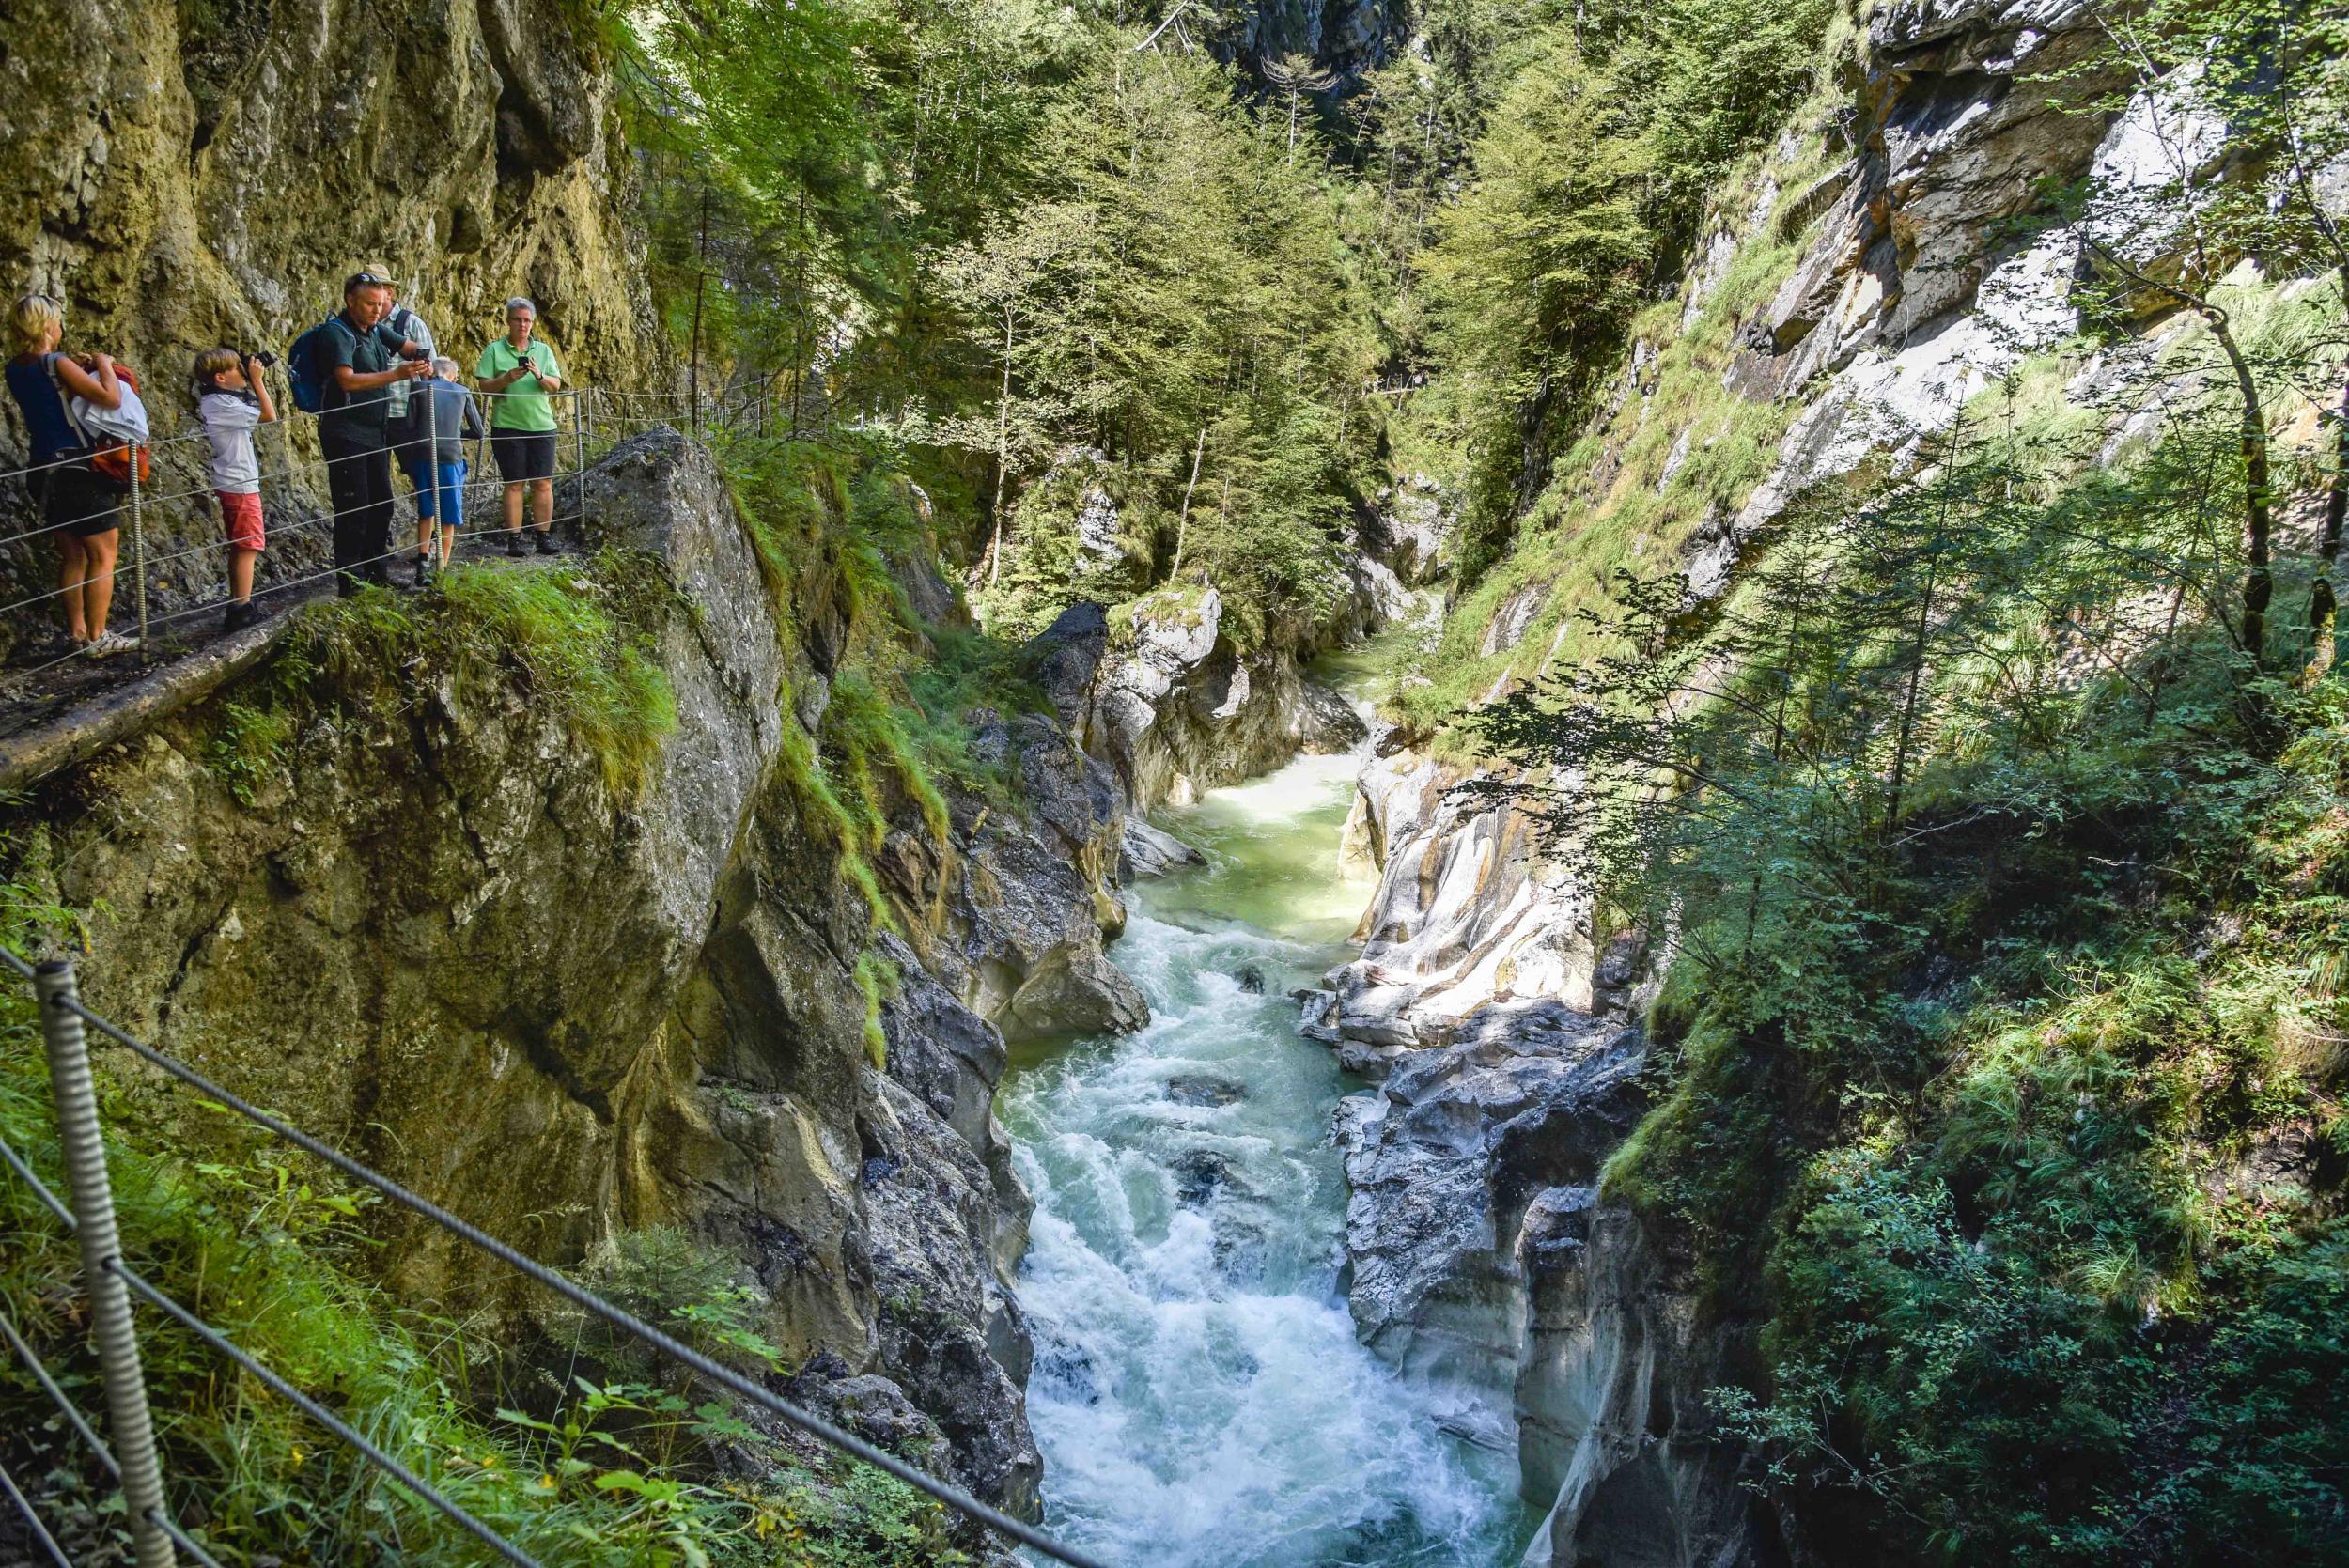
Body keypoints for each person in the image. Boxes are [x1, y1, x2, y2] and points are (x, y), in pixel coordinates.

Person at [4, 292, 133, 657]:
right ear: (48, 326)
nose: (61, 328)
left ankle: (78, 634)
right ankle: (98, 637)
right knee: (104, 556)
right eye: (58, 322)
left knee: (73, 556)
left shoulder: (15, 368)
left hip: (43, 469)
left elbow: (49, 396)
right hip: (78, 469)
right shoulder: (57, 362)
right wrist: (104, 364)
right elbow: (110, 398)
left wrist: (70, 369)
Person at [315, 270, 430, 595]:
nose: (376, 310)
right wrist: (396, 375)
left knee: (382, 504)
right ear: (350, 301)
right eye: (369, 304)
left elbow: (409, 346)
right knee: (354, 507)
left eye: (381, 304)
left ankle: (377, 572)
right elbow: (347, 380)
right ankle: (350, 583)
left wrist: (422, 359)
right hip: (345, 432)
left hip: (374, 431)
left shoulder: (375, 330)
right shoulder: (337, 334)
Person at [193, 348, 278, 633]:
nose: (242, 371)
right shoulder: (221, 405)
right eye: (236, 369)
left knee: (243, 546)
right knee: (248, 546)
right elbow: (269, 415)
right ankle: (241, 609)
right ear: (220, 377)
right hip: (238, 483)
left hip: (235, 481)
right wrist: (257, 380)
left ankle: (240, 605)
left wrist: (249, 382)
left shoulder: (219, 401)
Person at [474, 297, 565, 558]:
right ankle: (515, 539)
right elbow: (484, 387)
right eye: (517, 319)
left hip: (541, 426)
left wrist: (538, 374)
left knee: (543, 483)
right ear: (508, 321)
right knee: (514, 483)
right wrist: (506, 378)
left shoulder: (544, 351)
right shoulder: (494, 350)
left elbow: (555, 386)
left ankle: (543, 535)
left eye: (527, 320)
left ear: (532, 323)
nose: (522, 325)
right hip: (508, 426)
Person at [395, 357, 482, 586]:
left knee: (427, 509)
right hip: (450, 455)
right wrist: (455, 433)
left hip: (422, 454)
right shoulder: (462, 391)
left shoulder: (419, 388)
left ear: (433, 371)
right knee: (449, 515)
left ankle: (422, 563)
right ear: (453, 375)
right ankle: (441, 569)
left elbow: (410, 427)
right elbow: (479, 430)